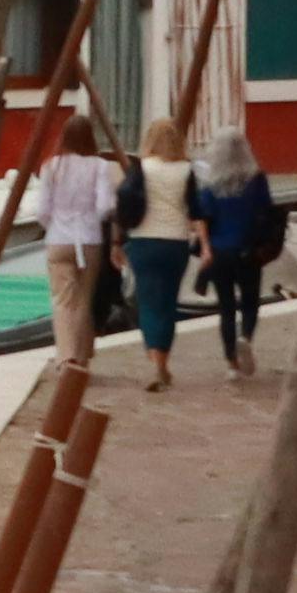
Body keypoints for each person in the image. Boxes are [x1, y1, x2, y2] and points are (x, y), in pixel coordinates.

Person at [195, 121, 284, 380]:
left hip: (221, 252)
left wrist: (205, 249)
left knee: (225, 307)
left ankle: (231, 364)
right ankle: (245, 335)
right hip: (249, 250)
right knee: (250, 302)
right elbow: (266, 210)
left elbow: (205, 218)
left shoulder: (210, 185)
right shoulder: (257, 180)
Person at [120, 115, 199, 395]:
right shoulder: (187, 170)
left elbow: (124, 202)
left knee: (148, 303)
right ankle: (163, 360)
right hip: (176, 242)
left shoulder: (141, 168)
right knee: (168, 304)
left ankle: (154, 360)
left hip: (144, 241)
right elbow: (195, 208)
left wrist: (118, 242)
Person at [30, 118, 120, 359]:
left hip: (58, 239)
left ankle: (66, 356)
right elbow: (105, 207)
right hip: (89, 238)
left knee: (62, 300)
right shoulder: (99, 166)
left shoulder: (51, 167)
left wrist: (55, 225)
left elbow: (41, 211)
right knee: (83, 299)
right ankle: (82, 356)